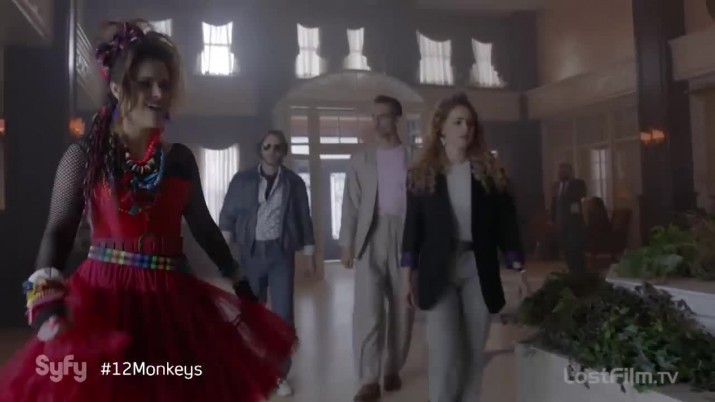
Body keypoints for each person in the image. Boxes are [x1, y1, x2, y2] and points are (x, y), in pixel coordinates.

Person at [0, 21, 297, 402]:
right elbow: (58, 230)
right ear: (117, 89)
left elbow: (203, 226)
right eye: (146, 84)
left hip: (174, 303)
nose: (159, 93)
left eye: (165, 84)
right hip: (105, 298)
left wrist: (238, 280)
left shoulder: (180, 160)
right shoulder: (86, 156)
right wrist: (44, 299)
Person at [401, 93, 525, 402]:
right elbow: (412, 229)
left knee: (472, 354)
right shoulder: (422, 174)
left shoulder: (489, 173)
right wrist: (407, 275)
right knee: (443, 355)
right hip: (437, 270)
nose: (465, 128)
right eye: (457, 122)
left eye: (469, 123)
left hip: (478, 269)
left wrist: (518, 268)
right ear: (441, 128)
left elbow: (507, 225)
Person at [219, 129, 316, 397]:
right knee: (251, 312)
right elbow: (227, 214)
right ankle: (252, 367)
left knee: (283, 317)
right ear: (260, 149)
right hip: (250, 253)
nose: (272, 151)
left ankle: (279, 374)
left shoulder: (294, 183)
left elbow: (304, 218)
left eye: (277, 147)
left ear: (284, 151)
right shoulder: (242, 180)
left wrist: (309, 255)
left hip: (281, 254)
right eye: (267, 146)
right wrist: (222, 252)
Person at [339, 95, 414, 402]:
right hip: (370, 235)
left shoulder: (415, 157)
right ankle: (369, 379)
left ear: (397, 119)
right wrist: (347, 243)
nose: (377, 122)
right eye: (374, 116)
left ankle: (392, 367)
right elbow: (350, 204)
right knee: (367, 309)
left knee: (403, 307)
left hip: (406, 235)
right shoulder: (360, 160)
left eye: (383, 116)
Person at [550, 162, 587, 271]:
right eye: (560, 171)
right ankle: (571, 270)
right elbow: (554, 203)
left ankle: (579, 271)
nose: (560, 173)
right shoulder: (556, 186)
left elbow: (581, 195)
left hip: (575, 223)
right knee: (565, 249)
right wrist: (552, 219)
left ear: (570, 172)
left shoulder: (578, 183)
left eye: (564, 170)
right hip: (561, 223)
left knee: (575, 249)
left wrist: (567, 186)